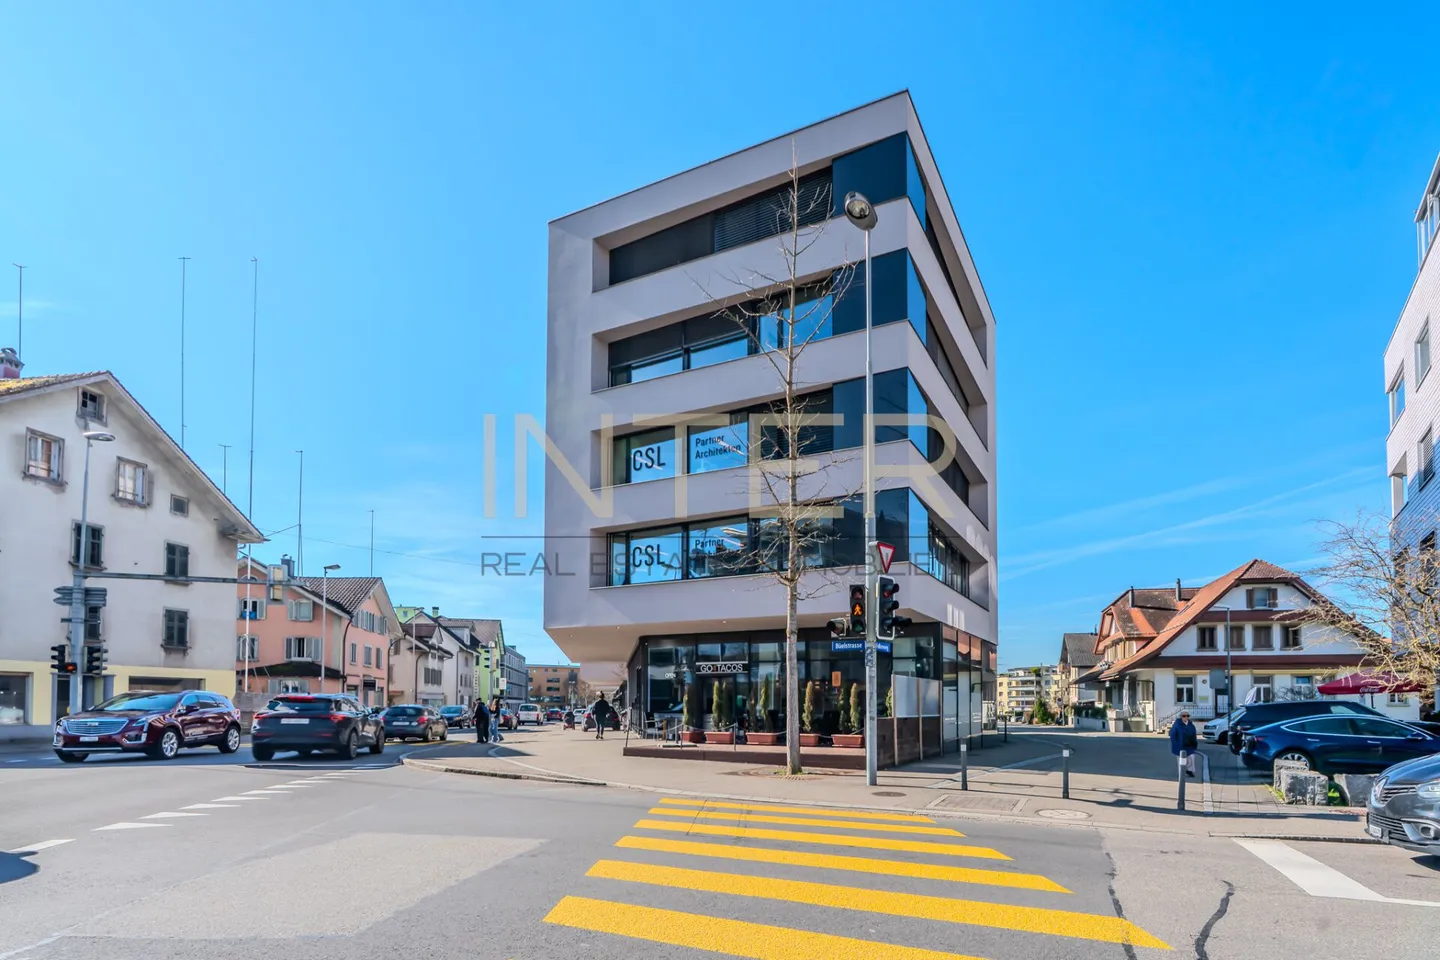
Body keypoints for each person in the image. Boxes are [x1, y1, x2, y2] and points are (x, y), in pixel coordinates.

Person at [1169, 709, 1199, 777]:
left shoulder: (1191, 725)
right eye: (1184, 716)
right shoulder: (1177, 725)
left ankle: (1189, 770)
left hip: (1189, 745)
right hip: (1180, 745)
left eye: (1187, 716)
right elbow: (1173, 735)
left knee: (1191, 757)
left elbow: (1194, 735)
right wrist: (1175, 744)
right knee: (1181, 759)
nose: (1186, 717)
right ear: (1181, 716)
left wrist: (1195, 744)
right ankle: (1181, 772)